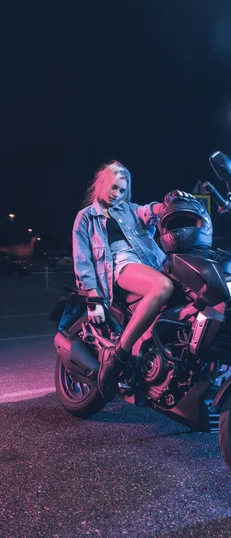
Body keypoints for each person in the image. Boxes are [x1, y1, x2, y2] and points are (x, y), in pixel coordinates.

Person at [72, 160, 174, 401]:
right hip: (119, 265)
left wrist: (168, 204)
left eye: (122, 190)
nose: (118, 194)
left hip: (151, 262)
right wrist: (93, 296)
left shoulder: (128, 210)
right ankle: (118, 355)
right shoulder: (85, 218)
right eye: (114, 188)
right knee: (163, 286)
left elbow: (148, 211)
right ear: (102, 185)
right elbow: (82, 259)